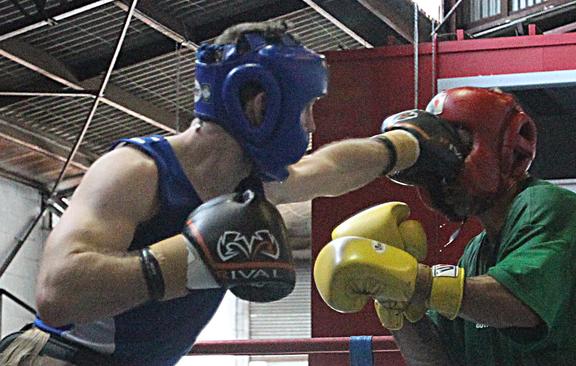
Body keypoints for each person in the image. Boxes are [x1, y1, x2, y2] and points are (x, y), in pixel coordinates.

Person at [0, 21, 425, 366]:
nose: (311, 126)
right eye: (304, 108)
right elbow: (58, 295)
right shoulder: (134, 170)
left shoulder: (248, 182)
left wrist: (407, 145)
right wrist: (191, 260)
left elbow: (330, 169)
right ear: (262, 105)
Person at [314, 87, 576, 365]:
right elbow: (433, 358)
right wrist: (394, 300)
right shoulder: (476, 254)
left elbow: (519, 305)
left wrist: (414, 279)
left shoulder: (545, 205)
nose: (444, 180)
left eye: (454, 159)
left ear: (501, 150)